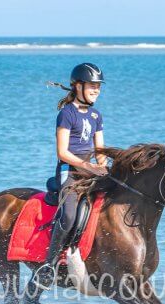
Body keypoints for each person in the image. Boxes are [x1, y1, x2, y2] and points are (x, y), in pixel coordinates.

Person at [32, 63, 108, 288]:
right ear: (78, 86)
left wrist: (103, 167)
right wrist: (89, 166)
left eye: (98, 86)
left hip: (90, 172)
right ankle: (49, 264)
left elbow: (101, 151)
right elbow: (62, 152)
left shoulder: (96, 115)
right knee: (68, 216)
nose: (96, 90)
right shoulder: (66, 114)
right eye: (92, 85)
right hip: (70, 173)